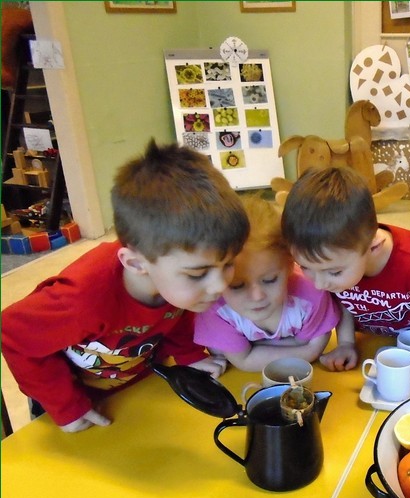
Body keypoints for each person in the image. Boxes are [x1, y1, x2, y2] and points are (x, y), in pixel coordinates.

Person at [1, 139, 250, 433]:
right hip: (70, 404)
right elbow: (12, 334)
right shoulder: (83, 300)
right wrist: (67, 408)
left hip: (132, 389)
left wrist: (188, 356)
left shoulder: (176, 282)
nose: (220, 285)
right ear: (135, 263)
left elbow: (179, 312)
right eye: (198, 274)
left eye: (228, 263)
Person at [281, 166, 410, 371]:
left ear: (373, 246)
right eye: (305, 267)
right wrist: (346, 343)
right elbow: (341, 300)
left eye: (334, 272)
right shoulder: (336, 263)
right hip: (372, 342)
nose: (319, 284)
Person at [193, 195, 340, 371]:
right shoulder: (214, 306)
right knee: (217, 350)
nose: (257, 296)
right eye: (237, 285)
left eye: (269, 280)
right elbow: (244, 362)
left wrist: (249, 350)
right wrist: (305, 350)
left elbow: (313, 347)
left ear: (290, 265)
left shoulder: (311, 294)